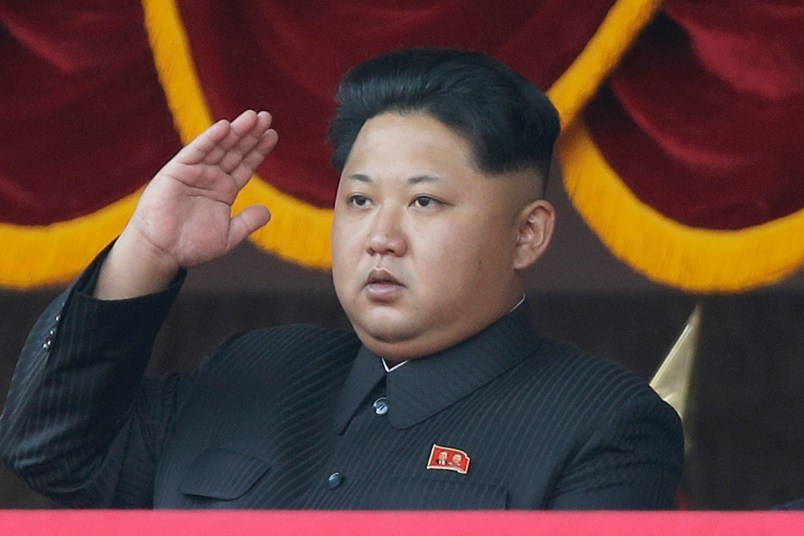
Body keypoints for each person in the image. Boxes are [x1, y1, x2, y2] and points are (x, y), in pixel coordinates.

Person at [0, 48, 683, 509]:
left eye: (424, 202)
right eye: (359, 200)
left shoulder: (604, 423)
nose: (380, 236)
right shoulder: (257, 369)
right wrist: (147, 250)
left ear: (526, 233)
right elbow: (50, 449)